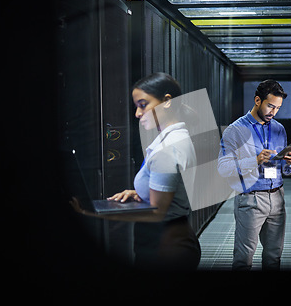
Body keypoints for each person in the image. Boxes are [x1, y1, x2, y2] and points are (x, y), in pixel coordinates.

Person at [70, 72, 201, 271]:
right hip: (171, 241)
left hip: (166, 247)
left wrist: (95, 212)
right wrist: (140, 193)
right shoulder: (175, 139)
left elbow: (157, 213)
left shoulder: (168, 148)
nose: (137, 114)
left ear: (167, 101)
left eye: (143, 105)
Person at [218, 79, 291, 271]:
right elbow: (223, 168)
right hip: (250, 200)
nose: (274, 112)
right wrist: (254, 160)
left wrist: (290, 163)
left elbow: (284, 170)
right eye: (270, 106)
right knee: (243, 259)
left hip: (277, 198)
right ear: (257, 100)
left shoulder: (279, 129)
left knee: (274, 257)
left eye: (278, 108)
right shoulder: (235, 130)